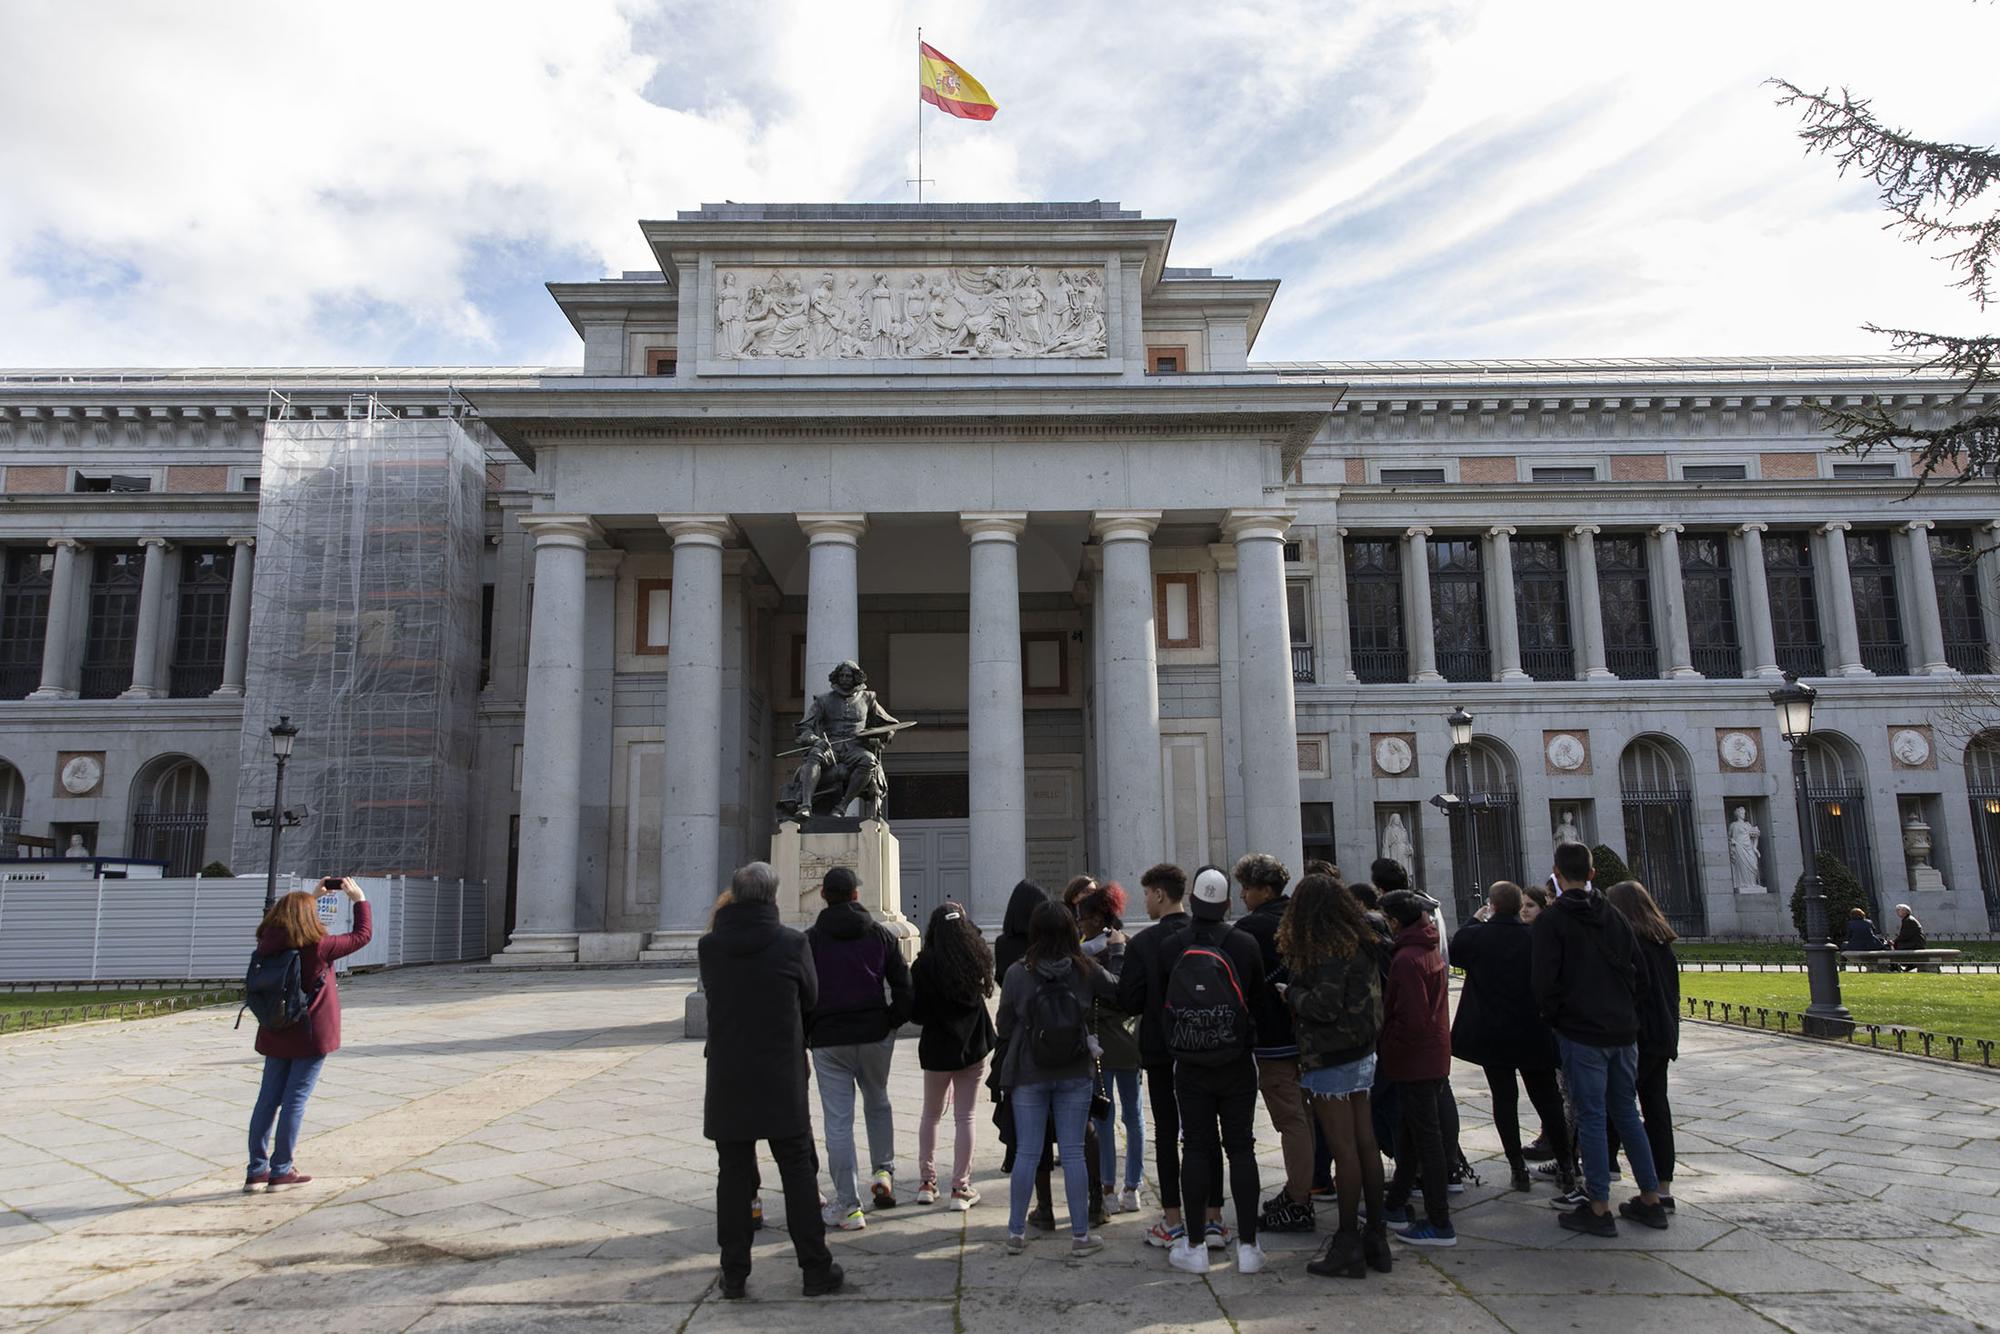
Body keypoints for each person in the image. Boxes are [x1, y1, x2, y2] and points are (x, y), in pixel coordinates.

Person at [700, 862, 842, 1299]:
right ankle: (815, 1269)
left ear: (736, 895)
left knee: (734, 1175)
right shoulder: (792, 943)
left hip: (729, 1073)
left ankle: (735, 1273)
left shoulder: (710, 947)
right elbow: (812, 997)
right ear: (773, 897)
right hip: (780, 1071)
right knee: (798, 1171)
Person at [1531, 842, 1670, 1237]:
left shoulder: (1551, 921)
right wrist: (1622, 1012)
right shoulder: (1615, 915)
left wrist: (1558, 1017)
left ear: (1556, 874)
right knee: (1627, 1113)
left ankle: (1597, 1206)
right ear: (1592, 873)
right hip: (1623, 1033)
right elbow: (1639, 974)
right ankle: (1650, 1198)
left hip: (1581, 1032)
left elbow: (1542, 983)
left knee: (1591, 1116)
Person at [1281, 872, 1393, 1279]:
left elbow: (1324, 1006)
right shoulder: (1360, 940)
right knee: (1365, 1143)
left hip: (1331, 1055)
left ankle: (1347, 1241)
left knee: (1344, 1147)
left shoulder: (1326, 949)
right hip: (1362, 1050)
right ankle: (1375, 1237)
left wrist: (1290, 994)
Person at [1158, 865, 1269, 1276]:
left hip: (1189, 1064)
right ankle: (1250, 1247)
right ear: (1225, 902)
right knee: (1241, 1147)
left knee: (1196, 1147)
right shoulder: (1244, 943)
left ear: (1194, 899)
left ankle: (1195, 1245)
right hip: (1237, 1061)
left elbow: (1162, 1003)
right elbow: (1256, 1000)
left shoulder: (1172, 946)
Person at [995, 900, 1118, 1257]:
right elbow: (1118, 990)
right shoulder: (1085, 969)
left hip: (1029, 1071)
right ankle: (1080, 1235)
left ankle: (1016, 1232)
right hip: (1075, 1069)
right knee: (1074, 1152)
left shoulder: (1019, 972)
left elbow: (1003, 1025)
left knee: (1028, 1153)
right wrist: (1119, 950)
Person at [1115, 862, 1223, 1251]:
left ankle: (1174, 1220)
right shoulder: (1215, 934)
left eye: (1146, 894)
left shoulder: (1144, 943)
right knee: (1208, 1132)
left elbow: (1127, 999)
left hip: (1162, 1050)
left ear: (1161, 894)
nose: (1144, 901)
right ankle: (1213, 1219)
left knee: (1166, 1133)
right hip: (1211, 1049)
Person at [245, 877, 372, 1193]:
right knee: (295, 1100)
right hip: (310, 1033)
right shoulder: (319, 947)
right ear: (308, 916)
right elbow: (362, 935)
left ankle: (256, 1170)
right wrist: (359, 900)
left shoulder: (267, 943)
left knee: (267, 1099)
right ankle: (282, 1169)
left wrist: (310, 897)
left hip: (275, 1028)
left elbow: (288, 919)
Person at [805, 865, 913, 1230]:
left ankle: (849, 1205)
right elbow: (903, 983)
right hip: (873, 1032)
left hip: (829, 1038)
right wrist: (893, 1020)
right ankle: (883, 1172)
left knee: (838, 1122)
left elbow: (802, 991)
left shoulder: (811, 940)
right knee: (878, 1099)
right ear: (855, 895)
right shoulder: (879, 935)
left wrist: (808, 1031)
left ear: (823, 894)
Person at [1450, 881, 1573, 1196]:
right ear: (1519, 906)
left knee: (1504, 1099)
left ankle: (1518, 1167)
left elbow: (1455, 950)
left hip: (1494, 1033)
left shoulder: (1478, 936)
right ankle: (1567, 1167)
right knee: (1547, 1099)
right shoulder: (1535, 938)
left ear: (1491, 905)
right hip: (1533, 1031)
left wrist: (1477, 919)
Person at [1232, 852, 1315, 1236]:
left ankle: (1299, 1201)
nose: (1243, 895)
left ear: (1264, 890)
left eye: (1247, 888)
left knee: (1290, 1120)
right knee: (1306, 1116)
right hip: (1311, 1036)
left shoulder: (1250, 929)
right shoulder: (1303, 920)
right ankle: (1305, 1187)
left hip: (1274, 1038)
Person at [1376, 890, 1456, 1246]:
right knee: (1410, 1134)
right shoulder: (1426, 947)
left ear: (1394, 922)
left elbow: (1410, 1017)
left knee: (1427, 1140)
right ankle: (1394, 1204)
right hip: (1430, 1055)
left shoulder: (1407, 959)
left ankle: (1440, 1222)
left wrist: (1388, 1041)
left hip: (1415, 1059)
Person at [909, 900, 997, 1211]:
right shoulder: (976, 957)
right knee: (965, 1117)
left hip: (937, 1047)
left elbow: (916, 1012)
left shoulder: (923, 965)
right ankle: (960, 1186)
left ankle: (926, 1181)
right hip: (971, 1046)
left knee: (930, 1115)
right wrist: (964, 919)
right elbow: (972, 934)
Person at [1603, 880, 1681, 1212]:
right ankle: (1662, 1186)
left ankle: (1605, 1173)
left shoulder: (1631, 945)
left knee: (1615, 1105)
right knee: (1656, 1109)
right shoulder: (1662, 943)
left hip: (1638, 1036)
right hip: (1663, 1036)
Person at [1080, 884, 1144, 1216]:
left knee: (1108, 1116)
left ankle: (1114, 1186)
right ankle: (1129, 1185)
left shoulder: (1099, 951)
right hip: (1124, 1039)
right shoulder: (1126, 944)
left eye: (1085, 919)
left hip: (1104, 1041)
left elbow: (1119, 990)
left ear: (1098, 917)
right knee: (1129, 1115)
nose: (1081, 925)